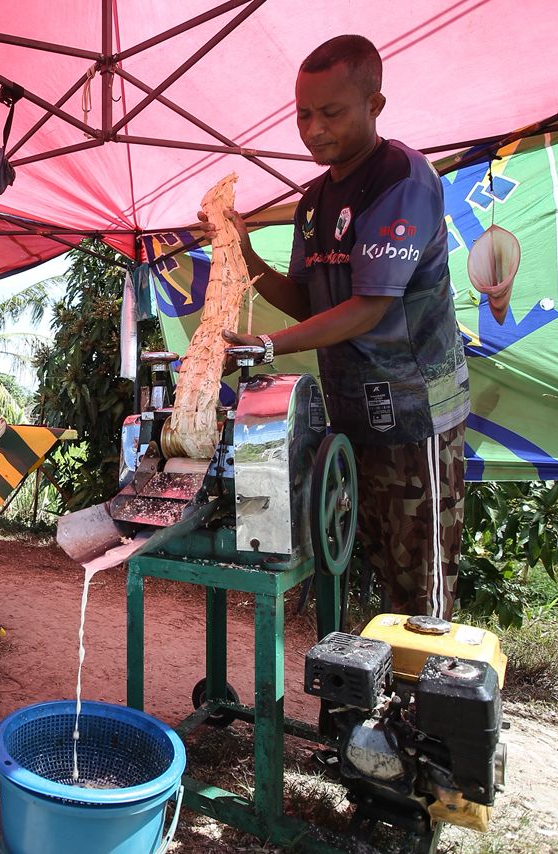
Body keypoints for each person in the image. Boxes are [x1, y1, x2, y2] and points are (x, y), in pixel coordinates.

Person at [208, 35, 469, 618]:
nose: (314, 129)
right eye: (303, 114)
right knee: (371, 556)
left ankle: (428, 702)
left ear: (375, 106)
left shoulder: (402, 179)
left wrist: (268, 347)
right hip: (354, 409)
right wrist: (244, 256)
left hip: (413, 412)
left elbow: (369, 307)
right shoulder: (313, 201)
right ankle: (380, 699)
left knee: (421, 580)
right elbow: (309, 302)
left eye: (331, 112)